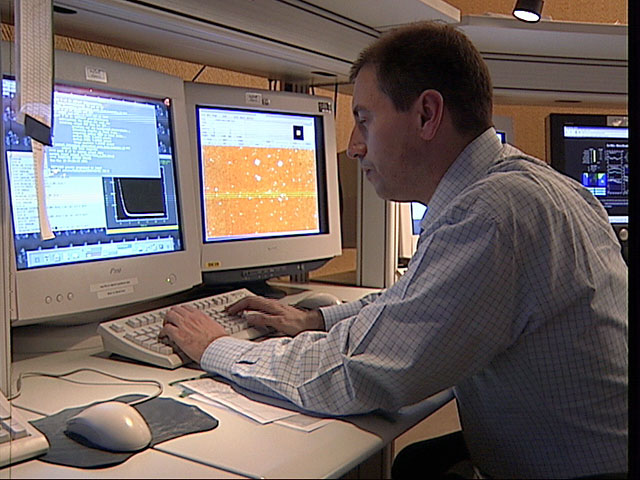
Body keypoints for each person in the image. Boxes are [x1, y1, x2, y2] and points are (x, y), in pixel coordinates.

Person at [161, 21, 628, 479]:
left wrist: (215, 348)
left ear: (427, 115)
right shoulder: (536, 187)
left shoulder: (491, 215)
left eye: (363, 119)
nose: (353, 147)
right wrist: (316, 319)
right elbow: (415, 301)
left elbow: (362, 374)